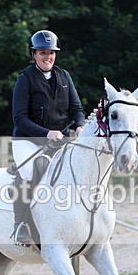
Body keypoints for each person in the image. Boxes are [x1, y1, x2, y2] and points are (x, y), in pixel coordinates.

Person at [11, 30, 86, 245]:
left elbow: (77, 108)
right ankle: (21, 225)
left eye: (51, 52)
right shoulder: (25, 79)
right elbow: (20, 118)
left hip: (59, 140)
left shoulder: (64, 76)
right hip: (27, 140)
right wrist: (45, 133)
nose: (48, 57)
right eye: (43, 52)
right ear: (33, 54)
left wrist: (80, 125)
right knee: (29, 171)